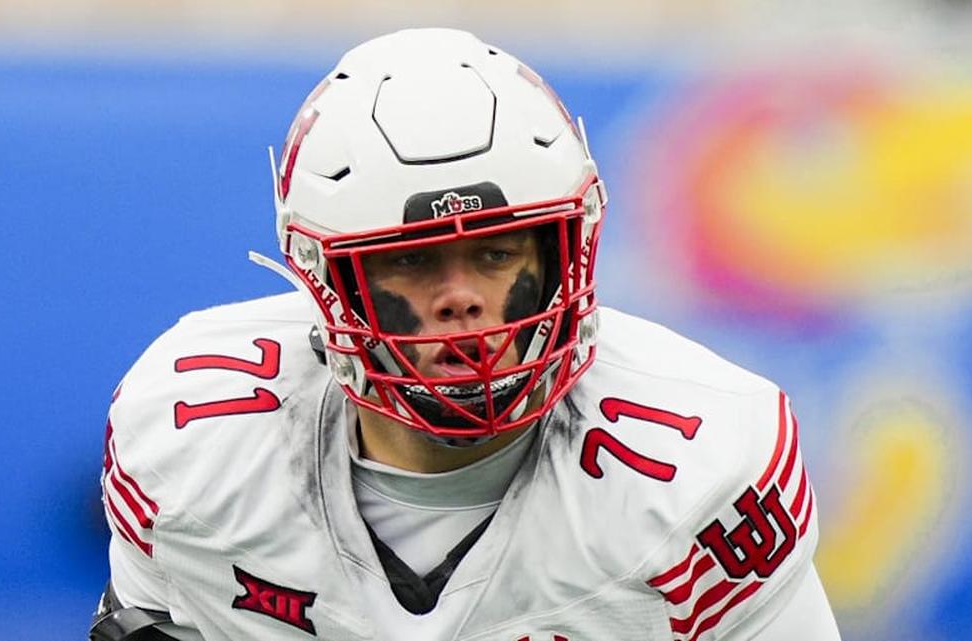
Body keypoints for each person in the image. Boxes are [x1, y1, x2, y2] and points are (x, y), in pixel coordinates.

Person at [90, 28, 841, 641]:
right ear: (327, 278)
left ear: (559, 254)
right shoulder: (194, 443)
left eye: (495, 252)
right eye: (413, 260)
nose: (462, 301)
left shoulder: (700, 471)